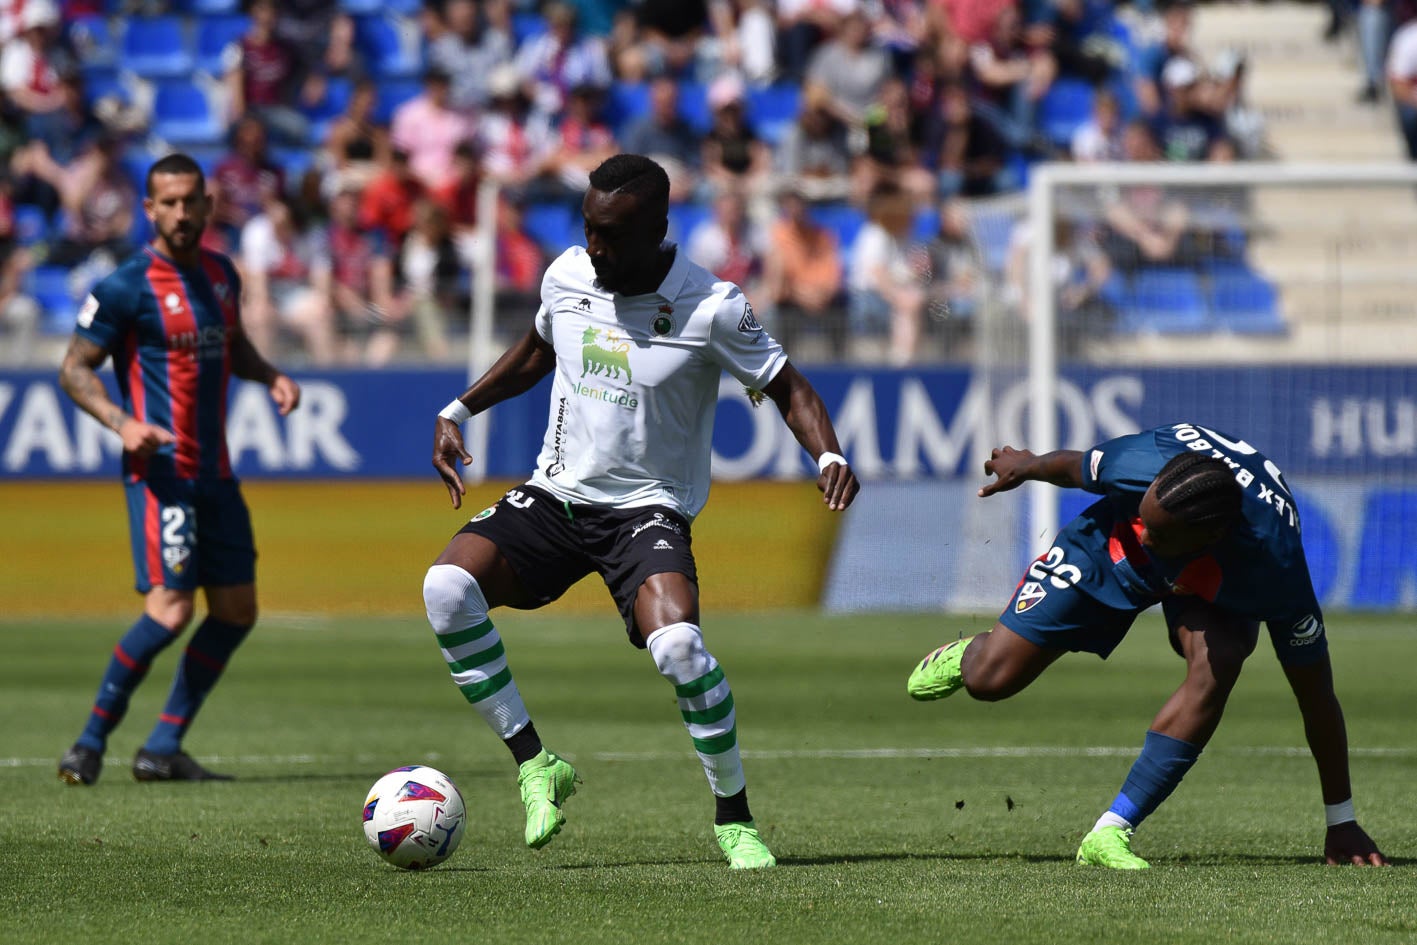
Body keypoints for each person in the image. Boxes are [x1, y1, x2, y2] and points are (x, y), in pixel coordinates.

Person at [423, 154, 859, 868]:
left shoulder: (713, 305)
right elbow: (539, 348)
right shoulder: (566, 275)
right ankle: (536, 763)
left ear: (658, 228)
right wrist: (459, 407)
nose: (595, 247)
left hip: (646, 511)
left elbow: (790, 388)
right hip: (557, 496)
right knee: (445, 588)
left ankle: (734, 819)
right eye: (588, 228)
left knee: (680, 647)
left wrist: (829, 455)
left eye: (612, 234)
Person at [905, 422, 1391, 870]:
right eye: (1146, 517)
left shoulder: (1276, 573)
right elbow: (1074, 467)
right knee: (991, 680)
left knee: (1218, 660)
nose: (1147, 532)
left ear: (1212, 535)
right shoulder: (1137, 466)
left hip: (1210, 582)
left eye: (1158, 531)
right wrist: (1027, 465)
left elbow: (1317, 699)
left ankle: (1110, 831)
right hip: (1110, 545)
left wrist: (1341, 819)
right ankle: (968, 656)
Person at [55, 153, 301, 785]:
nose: (182, 212)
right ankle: (88, 743)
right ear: (150, 208)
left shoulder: (221, 274)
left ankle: (163, 747)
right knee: (170, 611)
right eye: (169, 202)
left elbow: (234, 344)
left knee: (237, 610)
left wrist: (270, 373)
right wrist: (122, 423)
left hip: (216, 475)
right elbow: (74, 368)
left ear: (207, 204)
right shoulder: (124, 286)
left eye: (192, 200)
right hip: (160, 472)